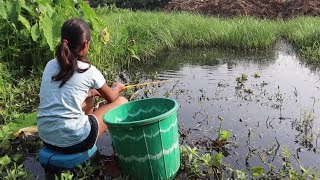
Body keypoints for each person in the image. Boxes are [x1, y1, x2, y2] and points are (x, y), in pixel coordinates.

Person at [37, 18, 128, 154]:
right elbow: (111, 98)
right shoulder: (89, 70)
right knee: (122, 102)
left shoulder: (50, 64)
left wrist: (91, 93)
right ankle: (107, 145)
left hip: (46, 138)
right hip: (74, 142)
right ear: (85, 44)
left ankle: (84, 133)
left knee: (89, 99)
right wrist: (119, 88)